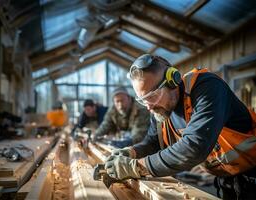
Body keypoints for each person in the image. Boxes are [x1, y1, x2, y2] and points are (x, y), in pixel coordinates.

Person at [104, 54, 256, 200]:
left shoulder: (207, 87)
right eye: (143, 100)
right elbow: (152, 143)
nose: (149, 107)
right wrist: (131, 153)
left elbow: (195, 146)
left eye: (152, 97)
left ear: (173, 81)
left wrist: (137, 166)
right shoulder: (160, 110)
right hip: (226, 178)